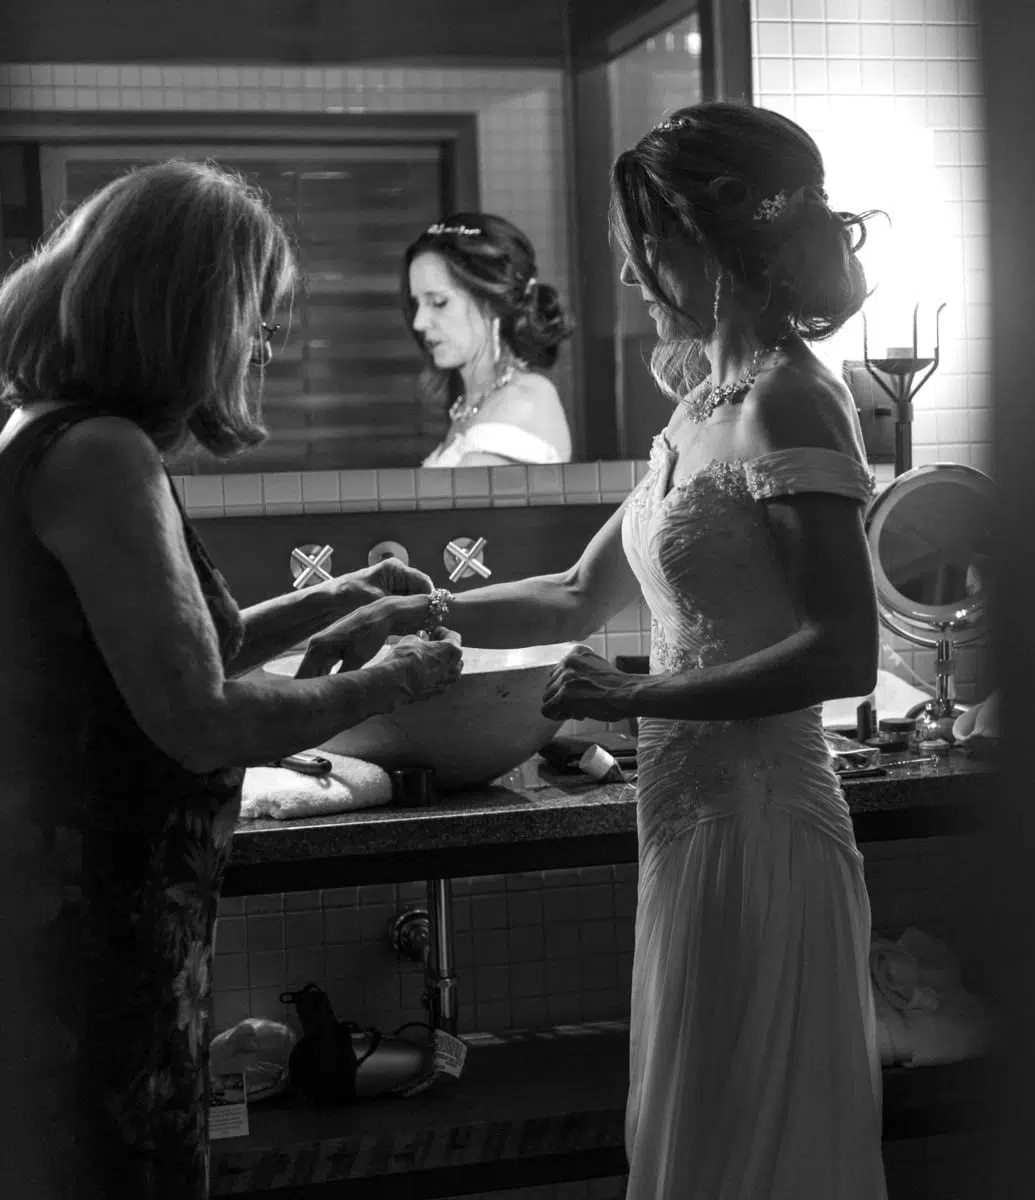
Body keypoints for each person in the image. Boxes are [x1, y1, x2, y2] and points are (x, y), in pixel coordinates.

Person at [305, 101, 889, 1197]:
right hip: (687, 828)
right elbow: (577, 594)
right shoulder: (702, 411)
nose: (626, 270)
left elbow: (840, 655)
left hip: (763, 830)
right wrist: (410, 609)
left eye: (639, 241)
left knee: (757, 1146)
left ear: (697, 238)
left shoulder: (794, 402)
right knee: (698, 1133)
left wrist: (640, 692)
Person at [0, 159, 464, 1198]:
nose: (260, 345)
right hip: (91, 943)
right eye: (251, 317)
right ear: (188, 311)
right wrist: (388, 677)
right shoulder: (102, 454)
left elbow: (149, 664)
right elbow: (200, 718)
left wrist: (332, 601)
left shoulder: (50, 431)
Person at [405, 212, 575, 467]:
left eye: (439, 302)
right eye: (416, 303)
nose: (419, 322)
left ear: (491, 304)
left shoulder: (525, 398)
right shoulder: (467, 406)